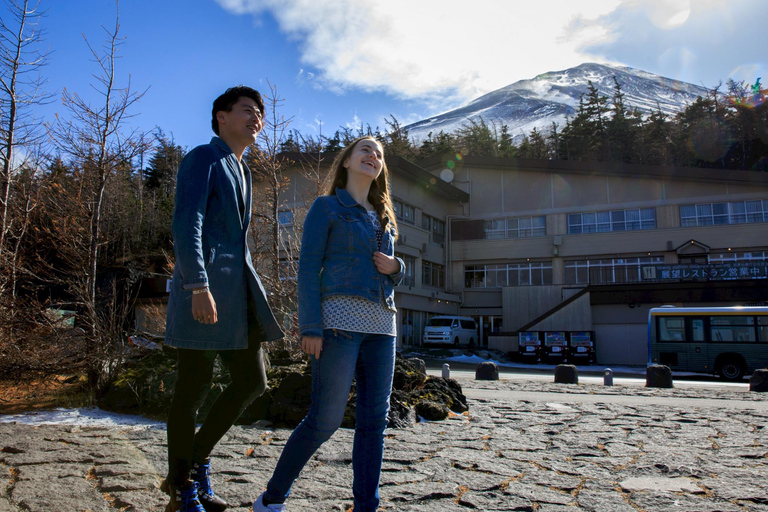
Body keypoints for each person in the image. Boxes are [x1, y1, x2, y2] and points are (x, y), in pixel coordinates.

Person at [253, 136, 405, 512]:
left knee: (374, 423)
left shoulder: (383, 215)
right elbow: (308, 269)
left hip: (383, 327)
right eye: (365, 150)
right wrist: (310, 327)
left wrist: (398, 267)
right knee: (325, 419)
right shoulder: (327, 207)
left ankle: (366, 506)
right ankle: (272, 499)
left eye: (379, 154)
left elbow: (387, 271)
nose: (373, 156)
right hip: (338, 323)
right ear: (348, 161)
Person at [163, 86, 284, 512]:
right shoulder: (203, 157)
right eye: (248, 110)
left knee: (253, 381)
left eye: (261, 114)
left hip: (238, 295)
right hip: (206, 292)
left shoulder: (243, 169)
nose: (257, 119)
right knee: (191, 390)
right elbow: (187, 222)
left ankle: (192, 465)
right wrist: (197, 285)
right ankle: (182, 491)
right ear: (221, 116)